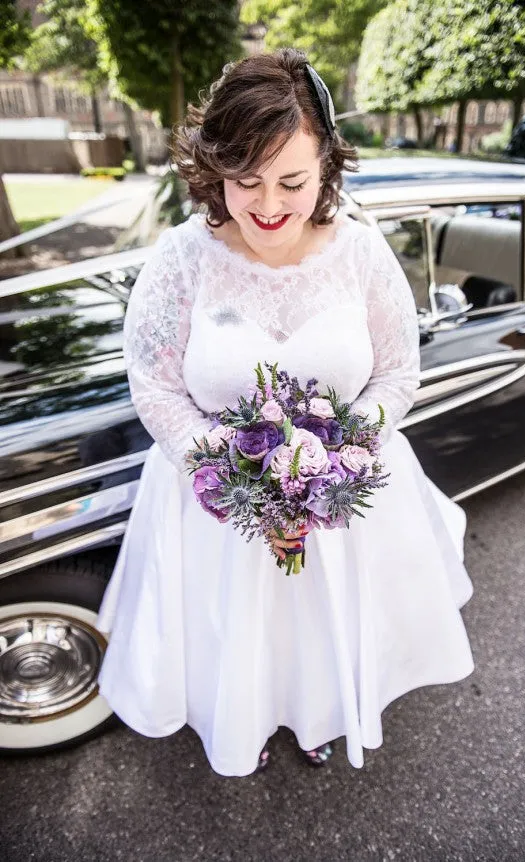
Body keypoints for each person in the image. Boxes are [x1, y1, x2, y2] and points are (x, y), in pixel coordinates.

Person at [96, 48, 474, 777]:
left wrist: (335, 464)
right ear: (215, 170)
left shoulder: (363, 256)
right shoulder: (181, 260)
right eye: (246, 181)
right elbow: (154, 384)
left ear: (327, 166)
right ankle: (244, 721)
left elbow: (397, 372)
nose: (269, 204)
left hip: (342, 503)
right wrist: (238, 474)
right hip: (212, 510)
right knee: (232, 633)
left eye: (292, 181)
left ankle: (318, 717)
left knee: (319, 629)